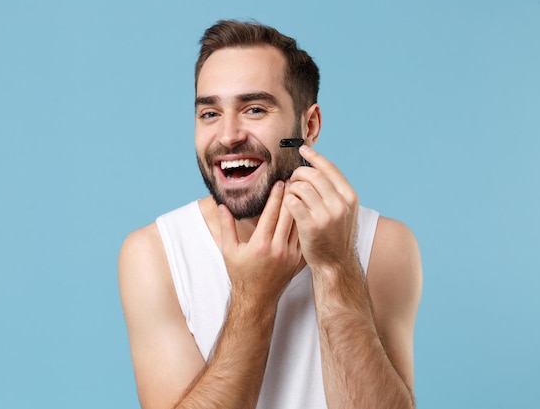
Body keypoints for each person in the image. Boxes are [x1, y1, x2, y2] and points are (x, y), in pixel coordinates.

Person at [118, 20, 422, 409]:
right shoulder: (154, 254)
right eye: (209, 113)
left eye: (255, 109)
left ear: (308, 126)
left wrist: (335, 268)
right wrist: (254, 297)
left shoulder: (386, 245)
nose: (228, 135)